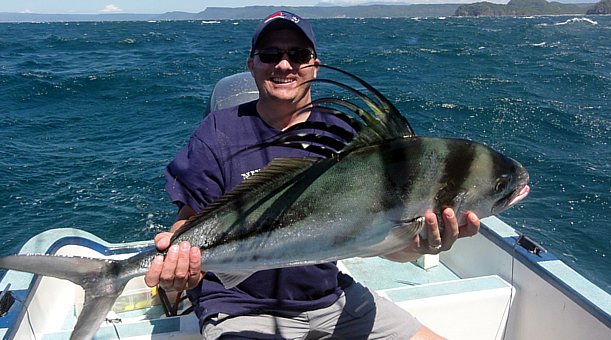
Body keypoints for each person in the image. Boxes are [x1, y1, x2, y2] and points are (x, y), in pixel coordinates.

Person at [145, 11, 481, 339]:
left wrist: (418, 246)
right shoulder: (218, 130)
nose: (284, 64)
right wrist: (181, 264)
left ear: (314, 66)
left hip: (332, 300)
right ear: (251, 64)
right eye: (270, 54)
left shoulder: (345, 135)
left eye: (299, 54)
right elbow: (189, 220)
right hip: (242, 308)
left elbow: (376, 240)